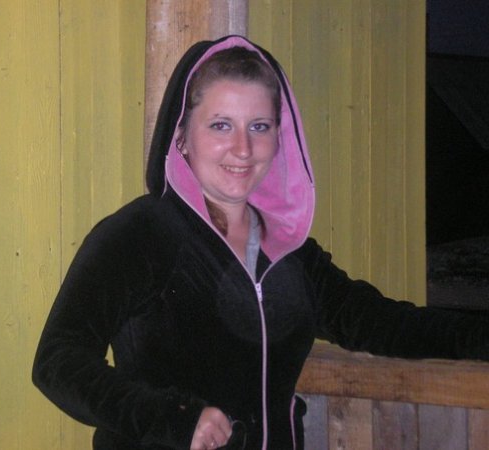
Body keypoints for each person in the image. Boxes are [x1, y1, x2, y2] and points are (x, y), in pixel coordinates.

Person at [32, 35, 489, 450]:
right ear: (182, 136)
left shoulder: (289, 249)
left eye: (259, 126)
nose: (243, 149)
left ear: (279, 137)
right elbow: (58, 359)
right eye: (220, 125)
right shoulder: (141, 235)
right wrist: (171, 417)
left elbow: (377, 322)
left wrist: (476, 337)